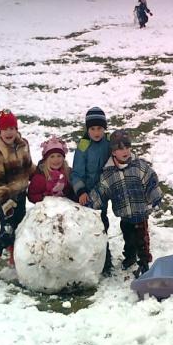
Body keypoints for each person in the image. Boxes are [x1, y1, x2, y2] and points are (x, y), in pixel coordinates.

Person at [85, 130, 163, 277]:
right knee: (129, 238)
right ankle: (130, 257)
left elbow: (151, 180)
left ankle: (145, 260)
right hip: (124, 215)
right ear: (113, 152)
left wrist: (155, 196)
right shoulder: (109, 174)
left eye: (127, 147)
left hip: (140, 212)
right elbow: (102, 190)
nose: (125, 151)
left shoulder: (139, 166)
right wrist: (90, 203)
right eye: (120, 149)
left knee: (142, 238)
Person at [0, 109, 35, 279]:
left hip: (21, 195)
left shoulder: (23, 144)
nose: (9, 132)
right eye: (5, 129)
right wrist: (5, 202)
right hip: (6, 199)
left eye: (12, 128)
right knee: (7, 231)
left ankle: (13, 257)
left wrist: (40, 175)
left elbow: (28, 166)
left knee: (18, 228)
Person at [71, 107, 113, 274]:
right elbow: (76, 173)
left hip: (103, 190)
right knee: (89, 227)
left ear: (104, 128)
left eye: (100, 128)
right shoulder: (83, 147)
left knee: (103, 224)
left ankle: (105, 259)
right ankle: (87, 258)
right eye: (93, 129)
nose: (96, 132)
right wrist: (81, 191)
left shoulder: (109, 143)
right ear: (87, 129)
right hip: (87, 195)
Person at [28, 136, 75, 203]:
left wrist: (66, 193)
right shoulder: (40, 177)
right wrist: (44, 196)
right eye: (52, 156)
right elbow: (32, 195)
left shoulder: (67, 172)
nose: (56, 160)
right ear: (46, 160)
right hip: (47, 209)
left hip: (65, 208)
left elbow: (71, 190)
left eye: (59, 156)